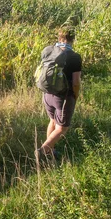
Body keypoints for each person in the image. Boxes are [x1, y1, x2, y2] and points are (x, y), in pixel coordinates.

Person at [38, 29, 82, 159]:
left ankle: (50, 152)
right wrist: (75, 95)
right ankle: (42, 151)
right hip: (63, 97)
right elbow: (76, 82)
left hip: (47, 94)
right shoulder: (74, 56)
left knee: (52, 120)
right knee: (62, 128)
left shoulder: (48, 51)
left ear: (59, 38)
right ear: (73, 39)